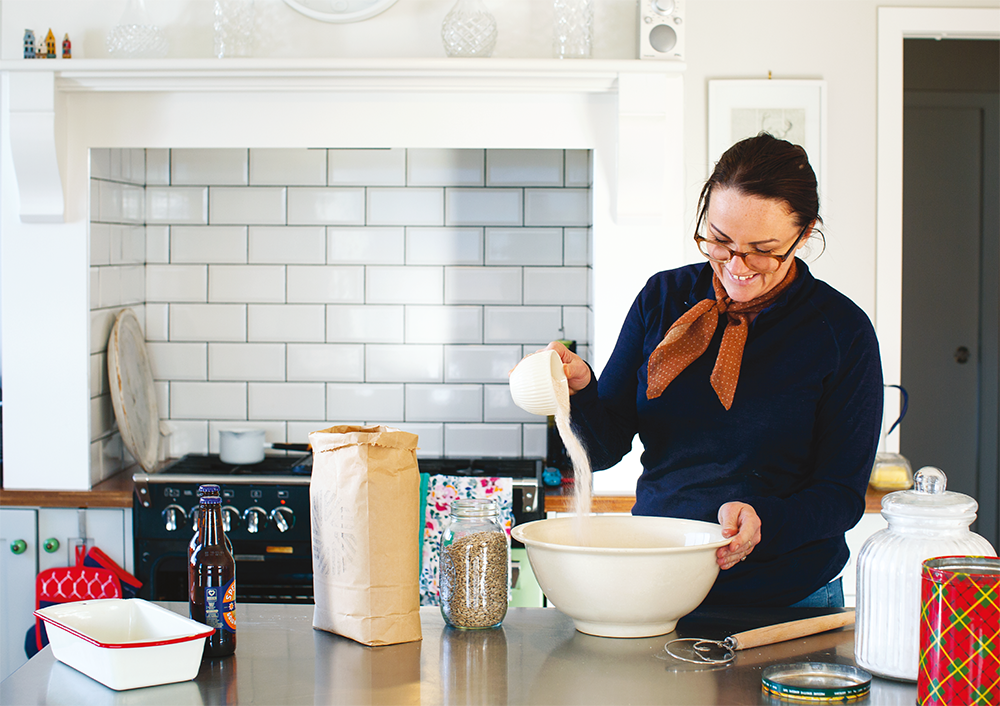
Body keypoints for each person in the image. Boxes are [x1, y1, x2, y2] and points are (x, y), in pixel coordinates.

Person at [547, 133, 883, 607]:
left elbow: (842, 495)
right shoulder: (662, 299)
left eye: (762, 249)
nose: (735, 266)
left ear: (804, 235)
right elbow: (603, 449)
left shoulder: (841, 331)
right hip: (661, 581)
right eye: (719, 242)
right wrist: (580, 390)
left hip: (785, 595)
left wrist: (764, 519)